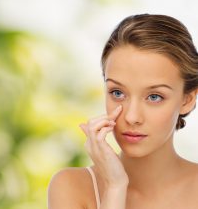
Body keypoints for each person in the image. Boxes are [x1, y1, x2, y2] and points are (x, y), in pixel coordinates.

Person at [48, 14, 198, 209]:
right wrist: (115, 187)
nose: (131, 117)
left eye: (154, 97)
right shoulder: (72, 187)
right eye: (117, 93)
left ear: (188, 99)